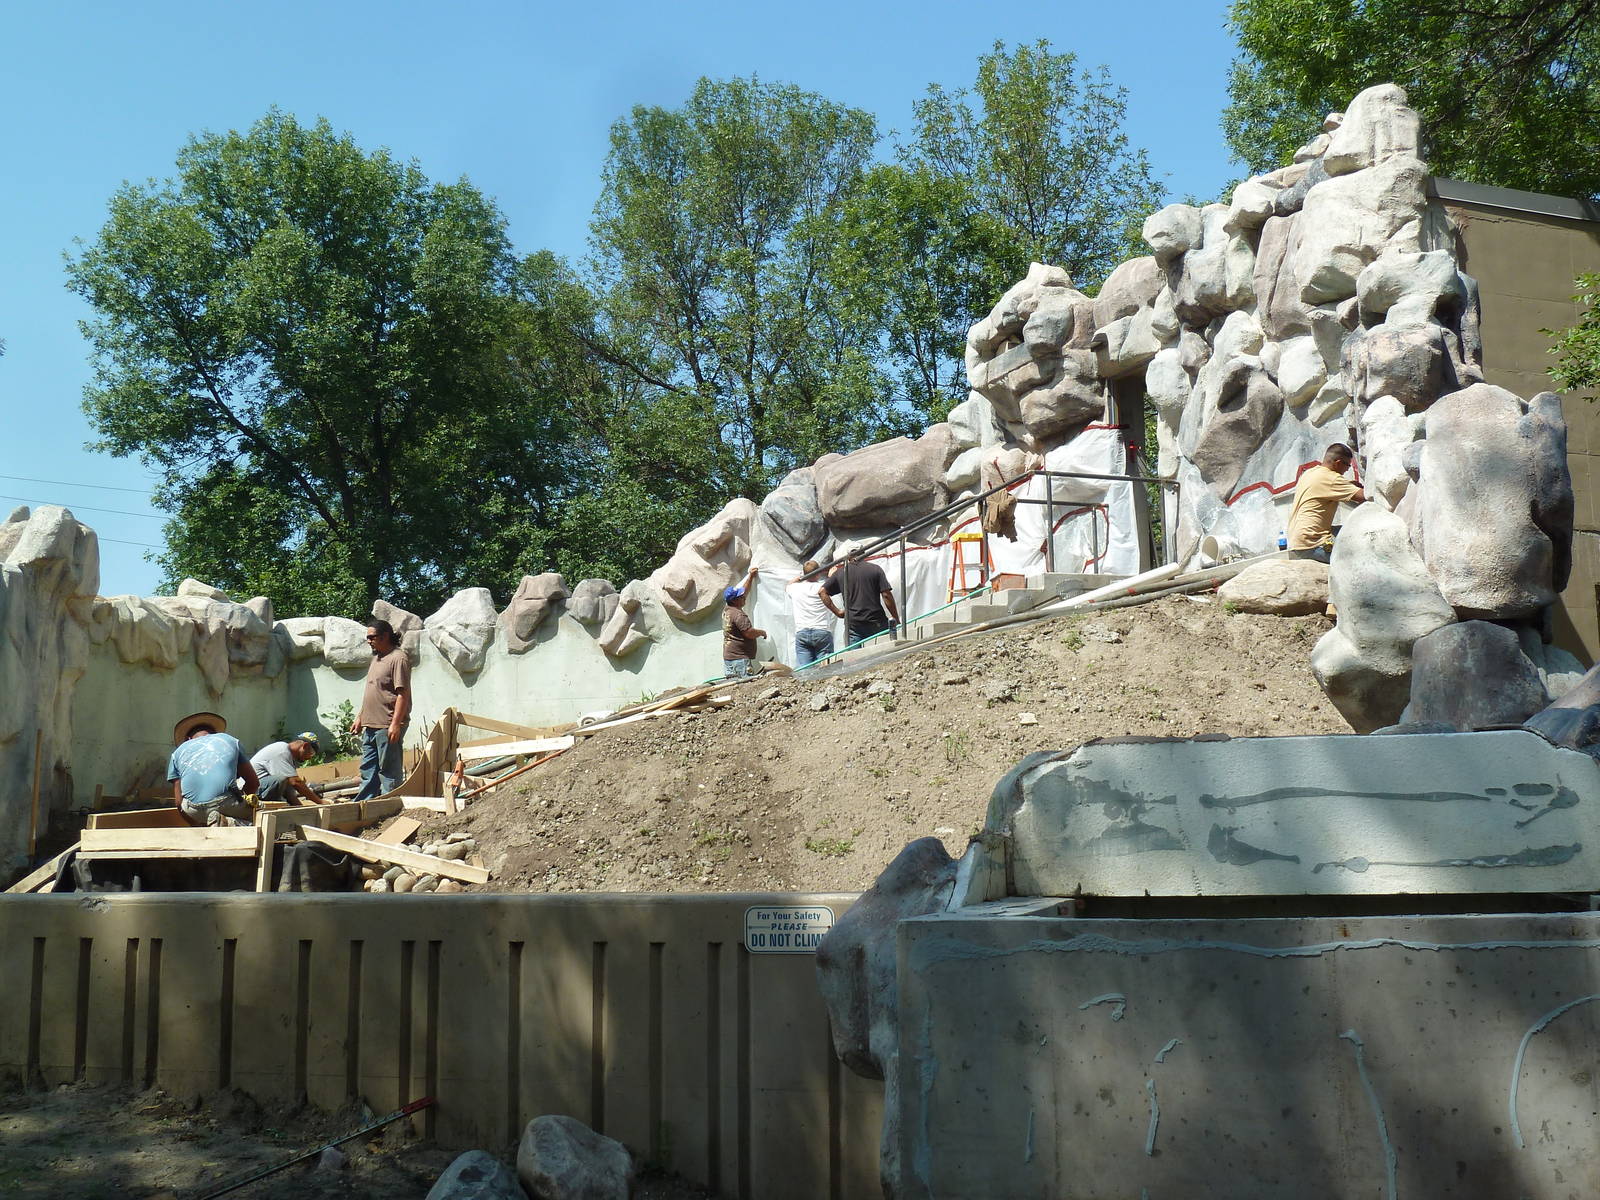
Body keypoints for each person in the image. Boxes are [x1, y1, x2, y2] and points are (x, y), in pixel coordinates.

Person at [349, 619, 412, 800]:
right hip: (370, 723)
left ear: (385, 636)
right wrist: (360, 717)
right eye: (367, 638)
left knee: (389, 770)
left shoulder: (398, 658)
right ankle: (365, 804)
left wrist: (395, 724)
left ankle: (389, 804)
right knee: (368, 768)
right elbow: (373, 691)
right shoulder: (377, 659)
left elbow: (402, 694)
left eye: (372, 637)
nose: (369, 641)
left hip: (387, 724)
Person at [168, 711, 260, 827]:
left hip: (193, 810)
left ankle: (218, 822)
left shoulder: (176, 753)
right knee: (257, 817)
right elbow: (253, 783)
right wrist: (241, 802)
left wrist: (196, 825)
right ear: (214, 734)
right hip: (226, 803)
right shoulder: (229, 740)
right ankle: (229, 823)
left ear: (188, 738)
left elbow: (178, 802)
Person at [1286, 444, 1366, 563]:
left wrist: (1349, 484)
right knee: (1362, 554)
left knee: (1351, 530)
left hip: (1297, 541)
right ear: (1338, 463)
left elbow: (1324, 486)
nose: (1347, 469)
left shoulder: (1311, 472)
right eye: (1348, 465)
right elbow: (1365, 496)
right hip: (1312, 545)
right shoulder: (1332, 479)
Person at [821, 549, 901, 646]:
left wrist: (838, 612)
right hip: (876, 620)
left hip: (854, 624)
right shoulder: (875, 569)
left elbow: (822, 592)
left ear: (849, 558)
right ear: (864, 556)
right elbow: (886, 595)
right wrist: (896, 618)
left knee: (854, 658)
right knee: (884, 652)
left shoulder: (841, 573)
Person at [787, 560, 837, 669]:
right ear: (818, 573)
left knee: (805, 670)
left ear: (804, 574)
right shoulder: (823, 587)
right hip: (822, 631)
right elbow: (833, 584)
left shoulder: (794, 588)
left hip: (802, 632)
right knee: (826, 669)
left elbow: (788, 585)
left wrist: (799, 578)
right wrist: (831, 576)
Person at [249, 733, 323, 806]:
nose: (310, 758)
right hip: (251, 790)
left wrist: (300, 808)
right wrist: (320, 802)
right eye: (311, 753)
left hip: (262, 787)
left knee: (284, 780)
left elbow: (290, 793)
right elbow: (296, 782)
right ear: (305, 746)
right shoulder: (282, 751)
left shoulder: (289, 758)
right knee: (281, 778)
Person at [722, 567, 767, 678]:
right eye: (741, 597)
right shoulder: (738, 615)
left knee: (735, 686)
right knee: (745, 684)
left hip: (729, 657)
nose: (744, 598)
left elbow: (744, 592)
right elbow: (749, 633)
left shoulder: (728, 609)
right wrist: (762, 632)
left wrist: (751, 577)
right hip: (740, 660)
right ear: (735, 600)